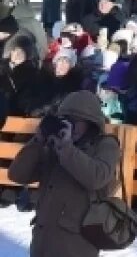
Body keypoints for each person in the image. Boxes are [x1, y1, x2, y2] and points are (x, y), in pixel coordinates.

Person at [8, 90, 120, 257]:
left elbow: (97, 178)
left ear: (91, 122)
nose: (70, 125)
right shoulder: (53, 145)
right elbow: (17, 175)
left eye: (76, 121)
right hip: (43, 241)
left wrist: (67, 149)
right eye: (65, 120)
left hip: (76, 244)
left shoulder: (105, 144)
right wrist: (37, 140)